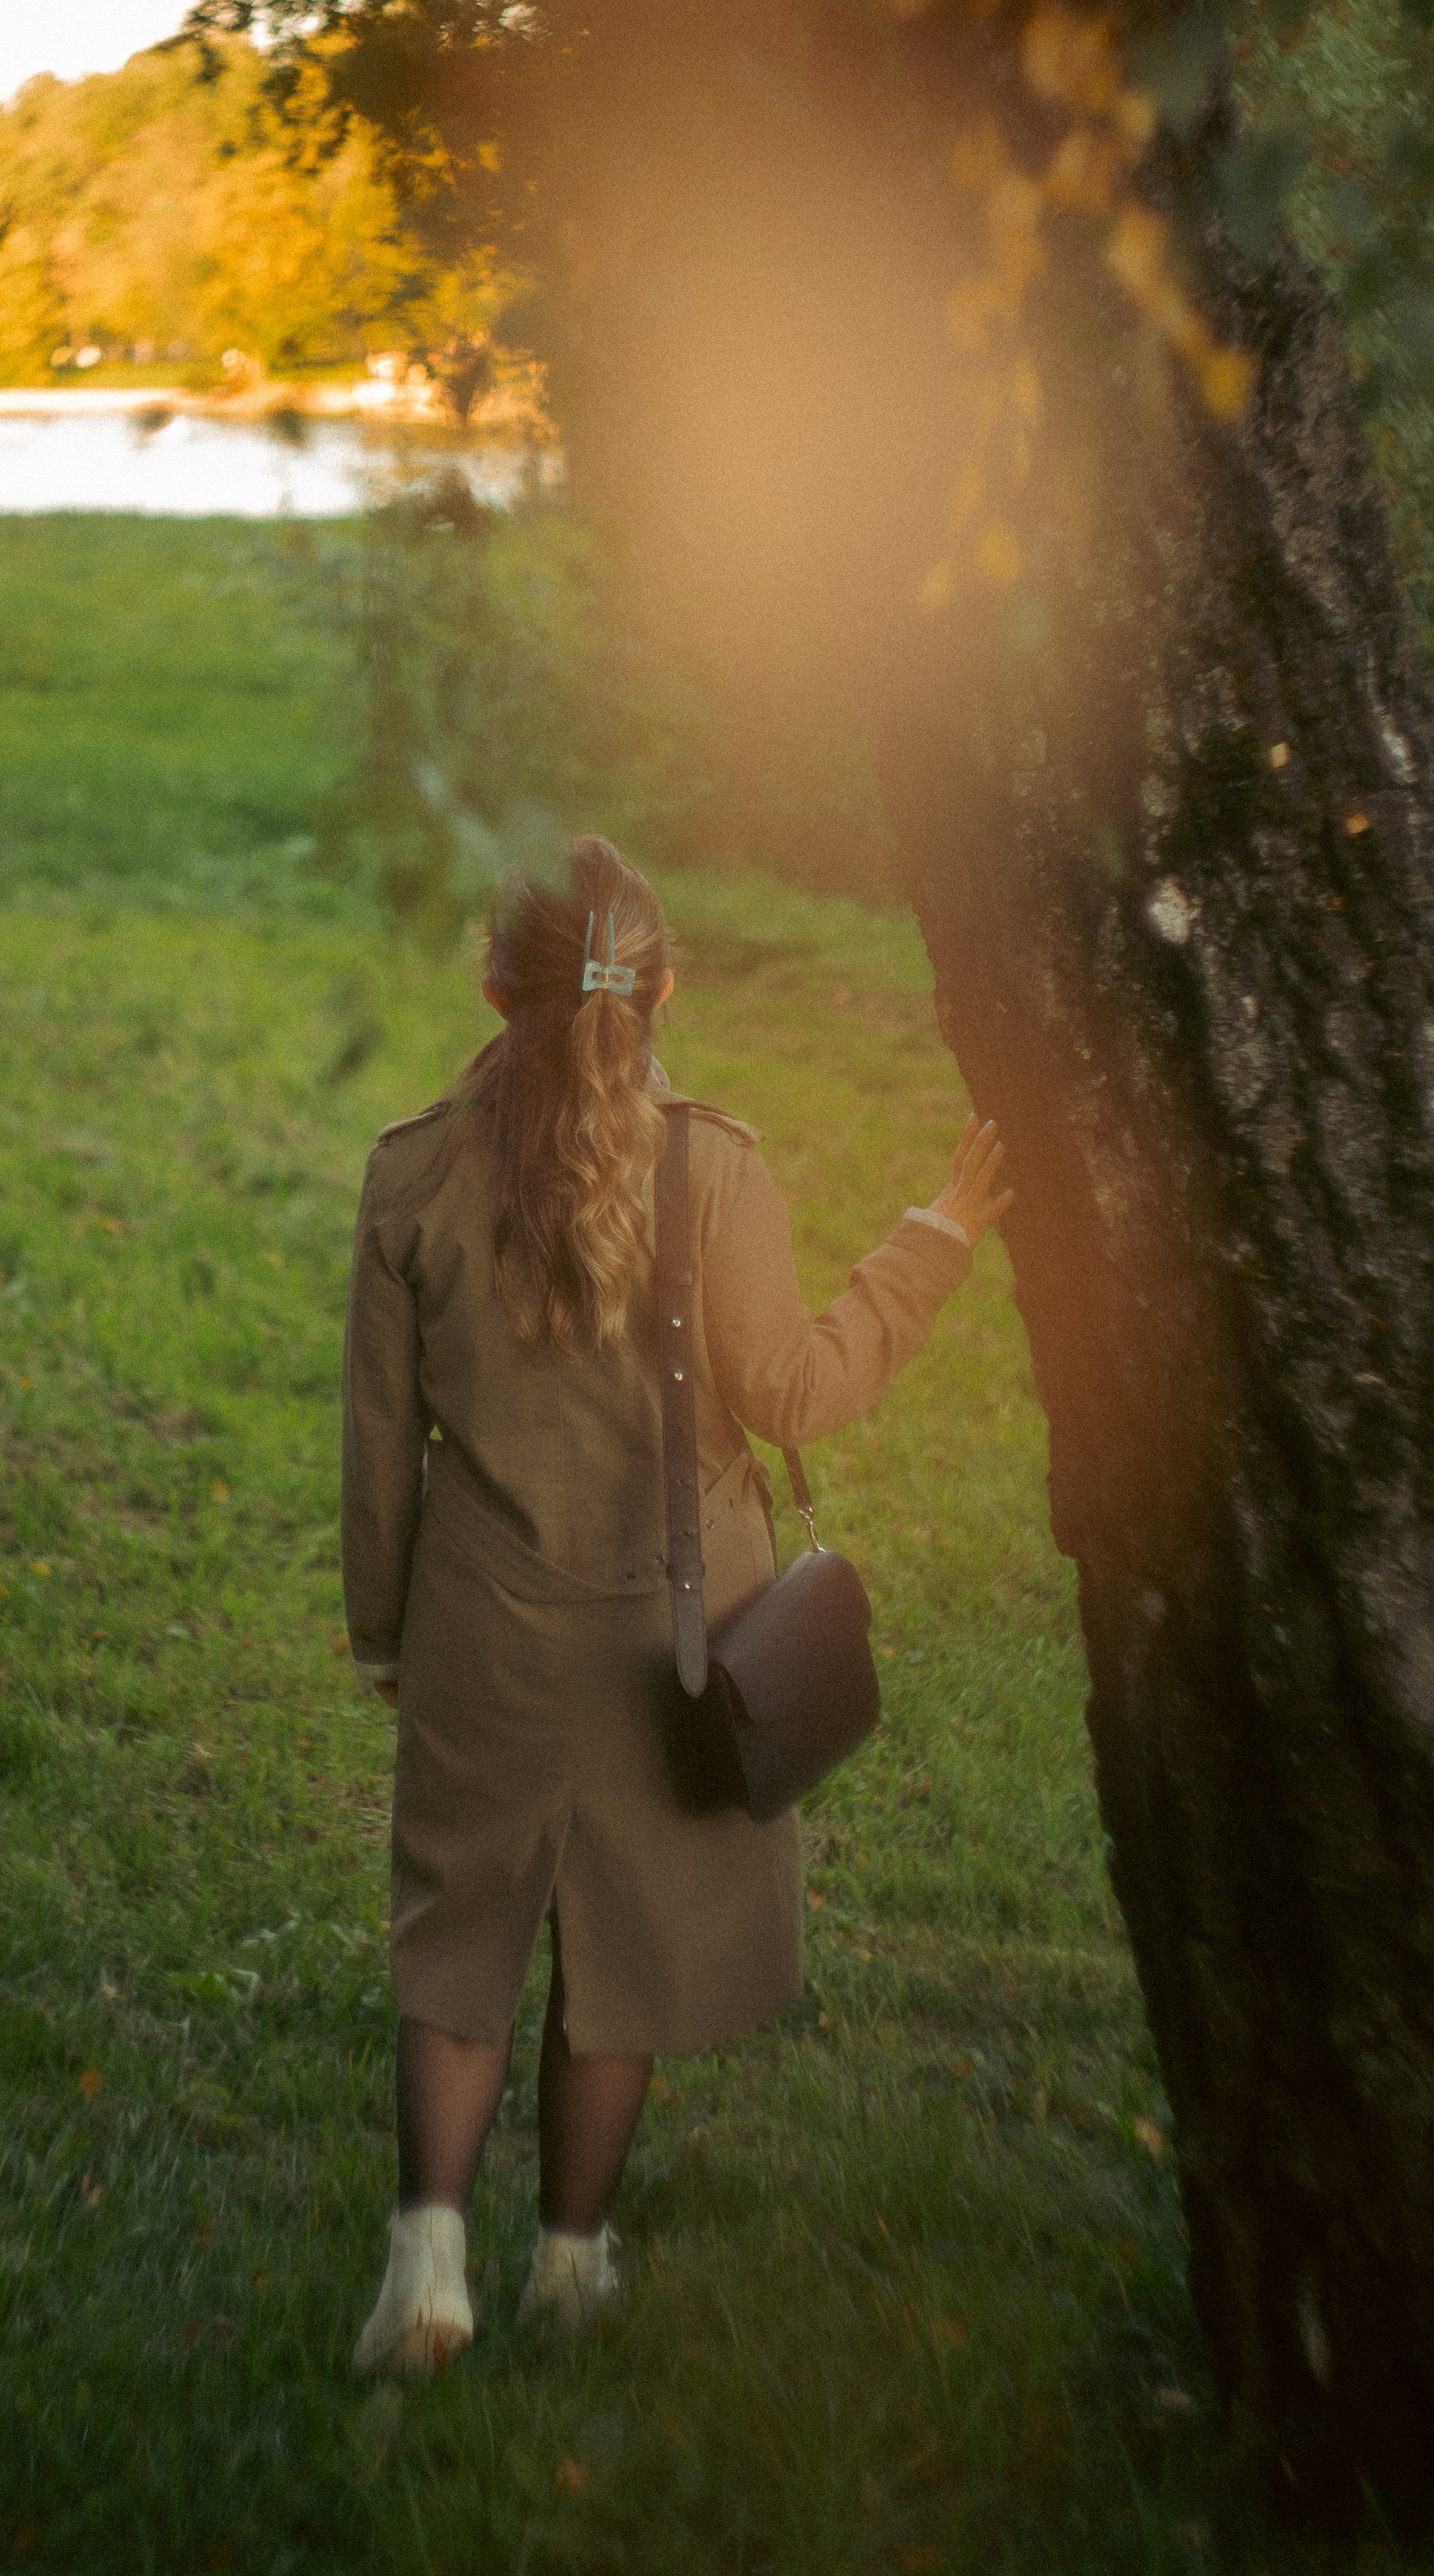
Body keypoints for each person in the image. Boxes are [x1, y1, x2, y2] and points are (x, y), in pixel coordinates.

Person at [339, 837, 1012, 2373]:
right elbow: (794, 1386)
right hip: (676, 1642)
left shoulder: (409, 1175)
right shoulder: (719, 1170)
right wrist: (934, 1242)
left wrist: (385, 1632)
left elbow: (381, 1451)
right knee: (621, 1965)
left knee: (460, 1948)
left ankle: (425, 2270)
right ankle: (570, 2267)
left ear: (491, 986)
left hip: (484, 1636)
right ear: (657, 997)